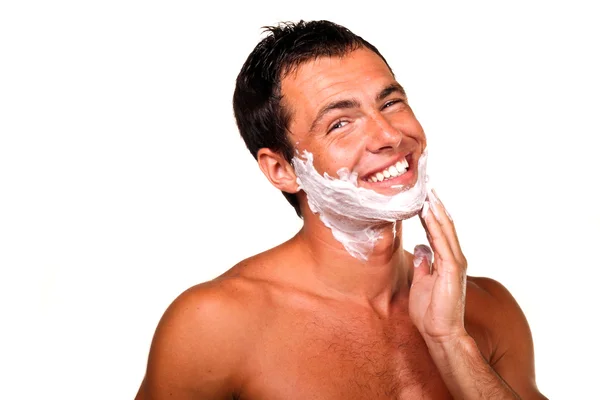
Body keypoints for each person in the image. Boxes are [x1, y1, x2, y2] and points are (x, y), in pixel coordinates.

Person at [135, 20, 547, 399]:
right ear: (282, 169)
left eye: (390, 104)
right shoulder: (215, 325)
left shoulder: (488, 310)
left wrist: (451, 343)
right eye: (340, 123)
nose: (388, 135)